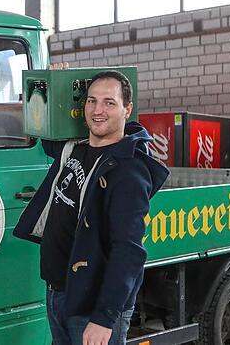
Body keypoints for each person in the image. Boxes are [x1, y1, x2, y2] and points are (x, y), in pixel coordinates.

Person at [14, 70, 169, 345]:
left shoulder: (129, 171)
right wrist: (54, 84)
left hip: (92, 304)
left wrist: (104, 318)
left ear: (127, 109)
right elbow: (45, 132)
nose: (98, 110)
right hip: (59, 291)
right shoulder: (75, 148)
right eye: (91, 101)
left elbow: (129, 251)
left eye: (109, 102)